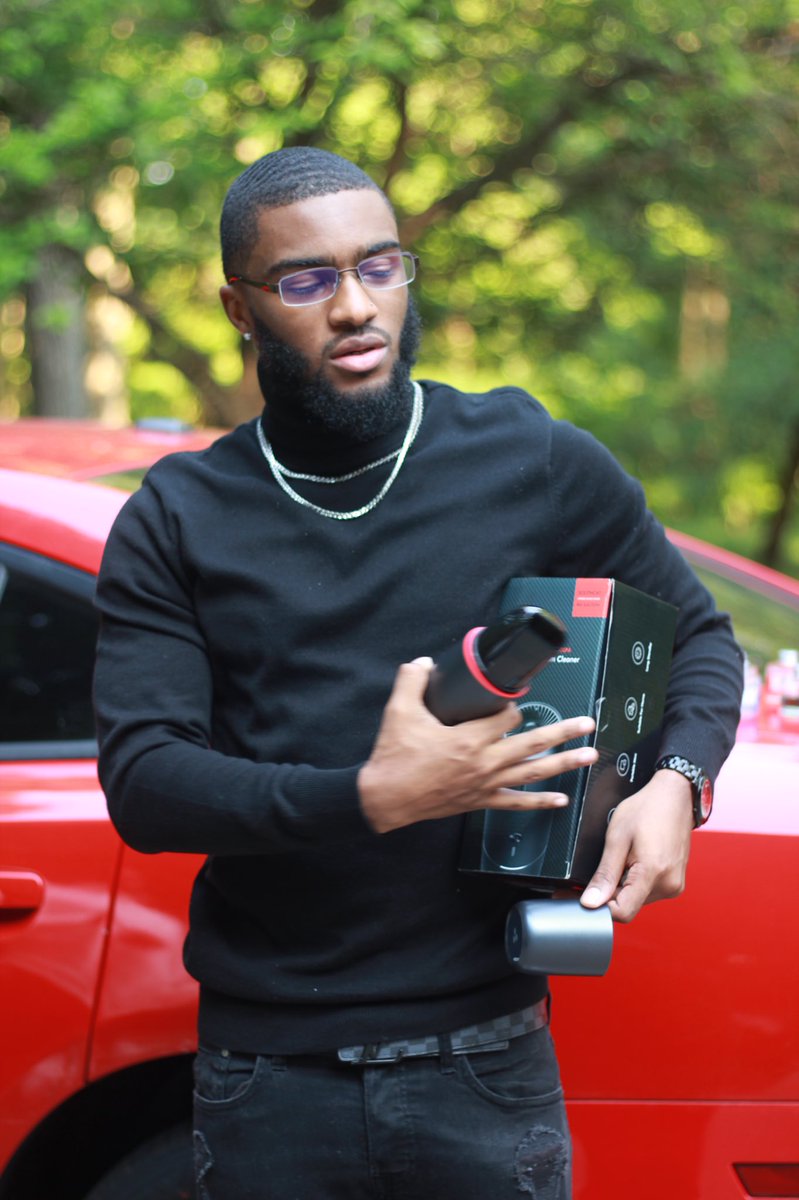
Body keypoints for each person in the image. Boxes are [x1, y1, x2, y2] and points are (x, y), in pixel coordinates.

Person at [93, 146, 743, 1200]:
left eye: (379, 266)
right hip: (268, 1075)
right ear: (239, 308)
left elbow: (701, 637)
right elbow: (147, 783)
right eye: (306, 280)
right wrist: (373, 796)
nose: (355, 306)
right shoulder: (177, 516)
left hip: (487, 1061)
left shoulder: (528, 456)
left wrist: (679, 784)